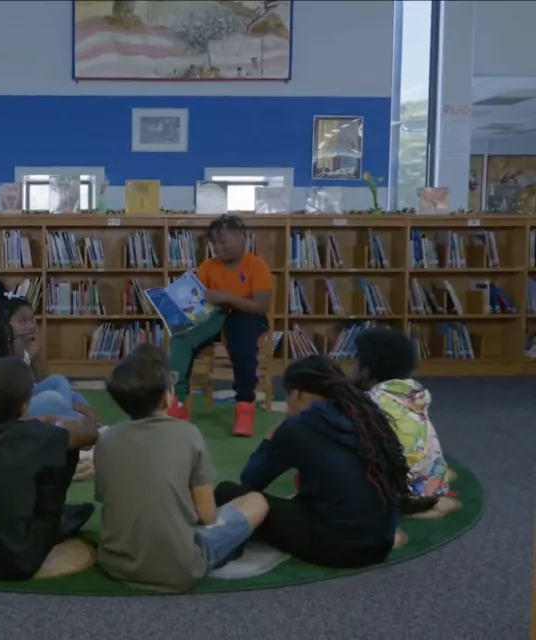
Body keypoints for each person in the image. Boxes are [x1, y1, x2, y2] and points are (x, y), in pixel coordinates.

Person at [94, 344, 268, 593]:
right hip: (182, 568)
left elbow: (108, 498)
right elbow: (207, 516)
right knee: (256, 501)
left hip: (115, 563)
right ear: (168, 396)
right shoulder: (188, 434)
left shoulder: (107, 438)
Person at [215, 355, 409, 568]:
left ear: (297, 392)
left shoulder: (298, 427)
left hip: (339, 548)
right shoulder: (367, 417)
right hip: (381, 544)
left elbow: (251, 480)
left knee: (225, 492)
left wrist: (270, 440)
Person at [0, 357, 100, 581]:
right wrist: (78, 416)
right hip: (16, 561)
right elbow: (90, 434)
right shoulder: (38, 439)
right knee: (66, 447)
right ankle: (52, 520)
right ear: (25, 406)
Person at [167, 215, 273, 437]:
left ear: (241, 237)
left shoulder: (257, 266)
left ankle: (244, 407)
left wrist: (227, 297)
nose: (217, 247)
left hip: (247, 315)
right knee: (181, 338)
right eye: (214, 243)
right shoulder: (208, 266)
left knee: (242, 342)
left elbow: (260, 307)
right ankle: (178, 401)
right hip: (214, 315)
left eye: (223, 241)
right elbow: (197, 303)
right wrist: (183, 320)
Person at [354, 327, 451, 503]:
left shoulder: (368, 401)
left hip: (396, 497)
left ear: (366, 371)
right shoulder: (416, 393)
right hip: (432, 490)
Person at [0, 281, 98, 421]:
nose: (30, 326)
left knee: (71, 393)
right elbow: (14, 388)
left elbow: (43, 380)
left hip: (33, 395)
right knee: (60, 386)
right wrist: (27, 358)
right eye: (22, 322)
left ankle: (73, 417)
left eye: (32, 319)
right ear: (5, 326)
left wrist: (36, 356)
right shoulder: (1, 349)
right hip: (15, 403)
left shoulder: (30, 344)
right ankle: (72, 420)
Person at [0, 319, 77, 421]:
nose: (24, 341)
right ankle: (77, 422)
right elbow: (0, 424)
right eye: (18, 338)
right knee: (53, 398)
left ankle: (75, 418)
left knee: (57, 382)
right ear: (7, 345)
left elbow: (29, 386)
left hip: (5, 418)